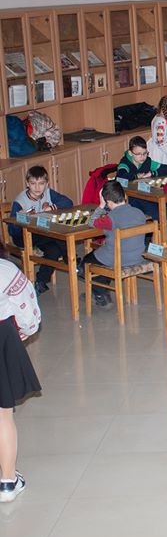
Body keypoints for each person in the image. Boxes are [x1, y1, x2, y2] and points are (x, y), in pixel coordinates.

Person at [0, 248, 42, 503]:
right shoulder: (4, 270)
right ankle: (7, 482)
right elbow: (26, 305)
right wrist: (27, 329)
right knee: (2, 416)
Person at [82, 180, 148, 308]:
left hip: (117, 259)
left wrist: (101, 205)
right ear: (124, 196)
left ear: (108, 202)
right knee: (99, 259)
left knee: (85, 263)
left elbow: (92, 222)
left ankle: (100, 293)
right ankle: (100, 289)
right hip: (137, 256)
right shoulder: (139, 213)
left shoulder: (110, 218)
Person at [9, 165, 73, 294]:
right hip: (24, 236)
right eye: (33, 183)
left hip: (42, 234)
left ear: (47, 183)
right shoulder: (20, 201)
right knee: (57, 236)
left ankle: (40, 281)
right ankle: (72, 260)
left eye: (41, 183)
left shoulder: (48, 193)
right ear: (27, 184)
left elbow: (68, 202)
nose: (37, 188)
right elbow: (12, 231)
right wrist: (19, 219)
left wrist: (52, 207)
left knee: (54, 250)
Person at [115, 135, 167, 221]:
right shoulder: (125, 163)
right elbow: (121, 176)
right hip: (130, 196)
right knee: (149, 204)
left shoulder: (147, 161)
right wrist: (136, 176)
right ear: (130, 153)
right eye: (138, 154)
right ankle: (162, 218)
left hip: (146, 193)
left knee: (156, 199)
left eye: (145, 153)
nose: (142, 157)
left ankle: (163, 218)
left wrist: (152, 173)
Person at [148, 95, 167, 173]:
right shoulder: (161, 122)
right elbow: (161, 143)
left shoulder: (156, 118)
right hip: (160, 155)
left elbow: (160, 137)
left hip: (158, 151)